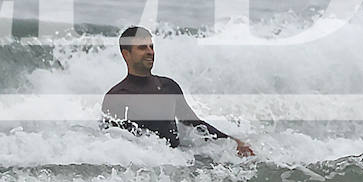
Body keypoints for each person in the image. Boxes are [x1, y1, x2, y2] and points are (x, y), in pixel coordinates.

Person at [101, 26, 254, 155]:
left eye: (151, 47)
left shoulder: (168, 86)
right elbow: (112, 147)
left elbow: (194, 124)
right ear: (126, 54)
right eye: (142, 47)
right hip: (149, 169)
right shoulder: (117, 97)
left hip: (179, 162)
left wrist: (233, 142)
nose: (150, 51)